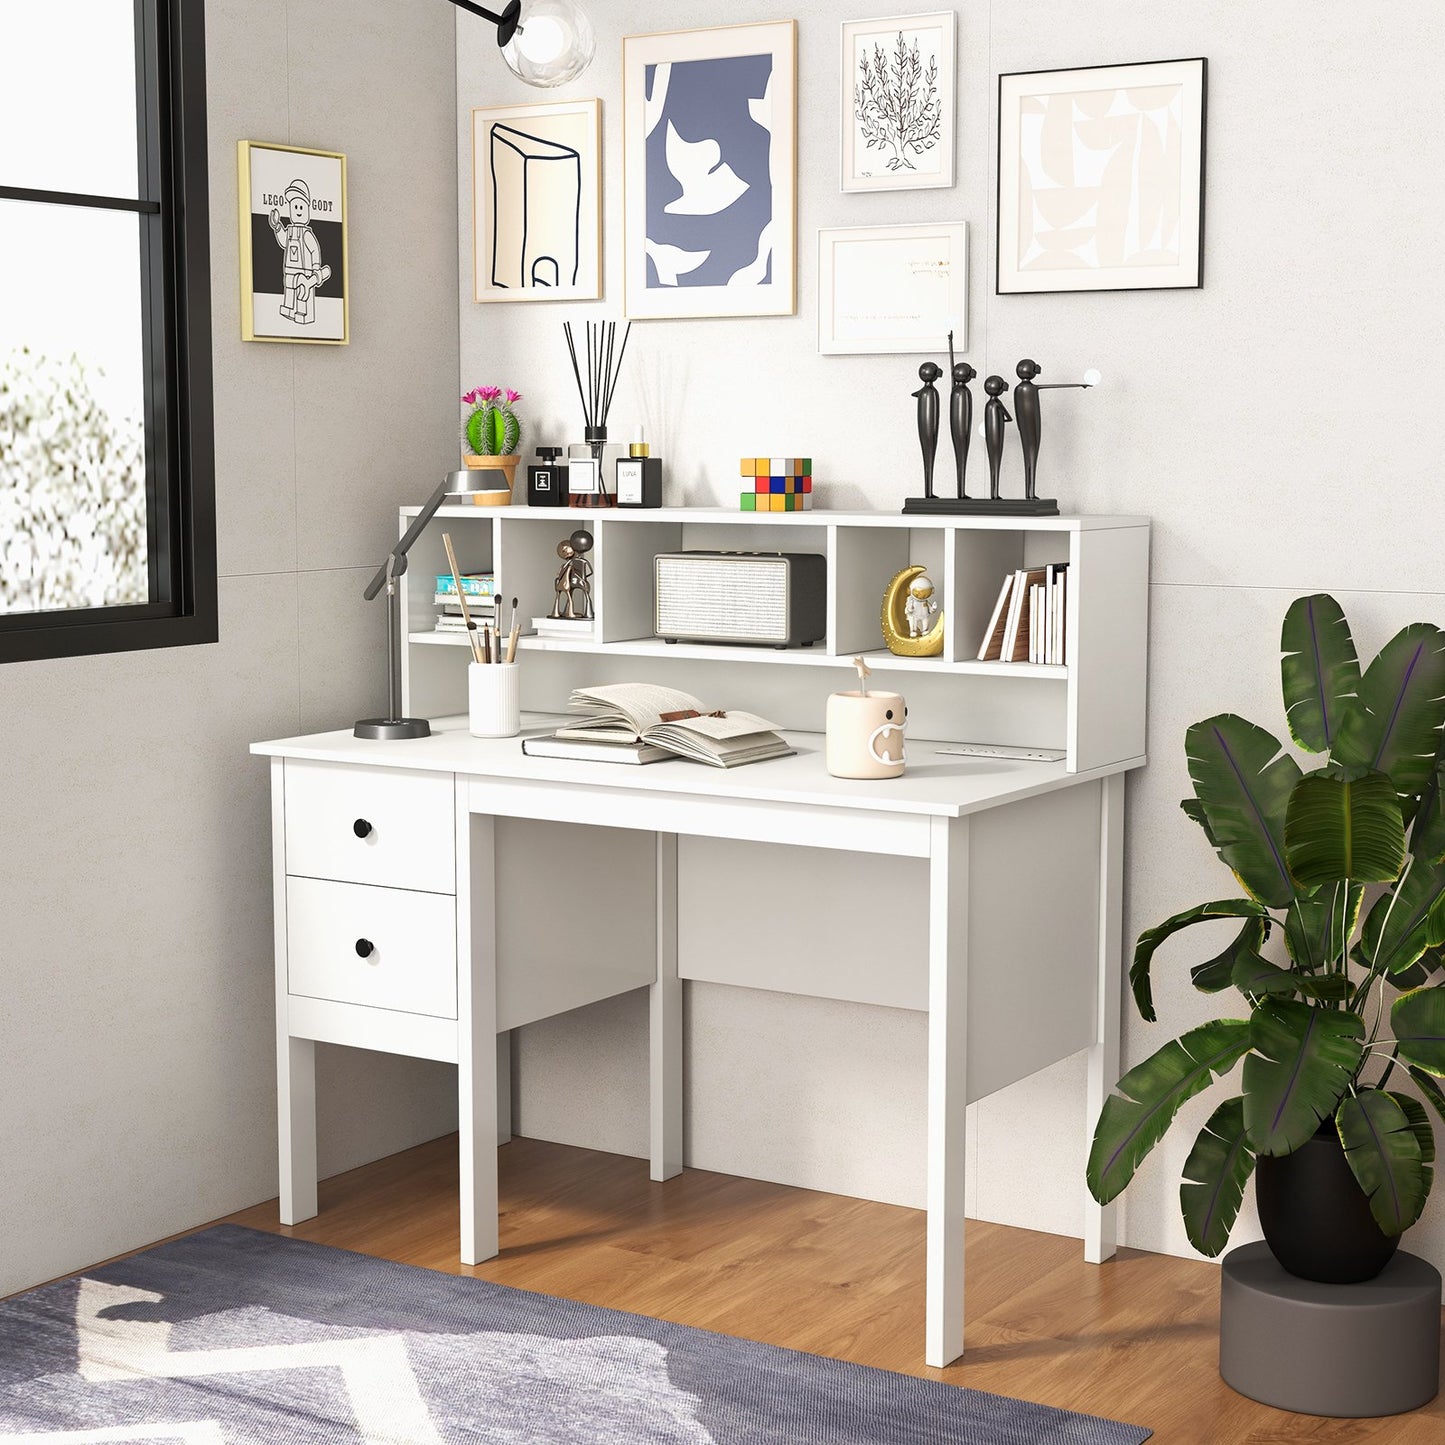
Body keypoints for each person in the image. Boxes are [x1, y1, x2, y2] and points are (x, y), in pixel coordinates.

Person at [270, 179, 326, 324]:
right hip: (290, 269)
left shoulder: (306, 234)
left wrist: (315, 269)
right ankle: (288, 308)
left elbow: (314, 250)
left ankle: (304, 314)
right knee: (289, 287)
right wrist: (277, 227)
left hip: (305, 270)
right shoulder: (289, 231)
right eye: (295, 206)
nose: (298, 210)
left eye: (301, 206)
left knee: (303, 293)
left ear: (307, 208)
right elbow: (284, 242)